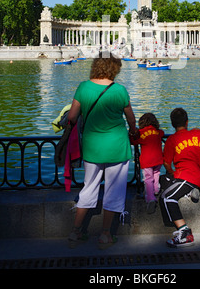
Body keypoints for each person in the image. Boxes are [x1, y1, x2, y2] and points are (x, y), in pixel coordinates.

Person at [66, 52, 137, 249]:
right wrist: (133, 131)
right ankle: (105, 234)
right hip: (117, 146)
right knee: (114, 190)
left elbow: (72, 117)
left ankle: (75, 231)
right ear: (114, 69)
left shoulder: (83, 87)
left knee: (88, 187)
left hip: (92, 146)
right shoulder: (120, 90)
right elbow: (131, 119)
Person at [161, 108, 200, 248]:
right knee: (164, 181)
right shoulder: (196, 134)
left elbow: (167, 163)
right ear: (187, 122)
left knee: (166, 197)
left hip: (186, 177)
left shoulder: (172, 139)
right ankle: (189, 191)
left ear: (172, 124)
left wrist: (171, 172)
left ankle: (184, 233)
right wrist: (197, 130)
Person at [130, 113, 164, 214]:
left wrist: (132, 134)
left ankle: (150, 198)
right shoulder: (158, 132)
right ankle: (156, 189)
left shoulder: (140, 133)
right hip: (158, 159)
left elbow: (133, 142)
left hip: (147, 160)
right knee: (156, 173)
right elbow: (162, 133)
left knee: (148, 178)